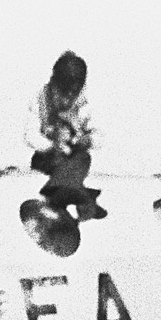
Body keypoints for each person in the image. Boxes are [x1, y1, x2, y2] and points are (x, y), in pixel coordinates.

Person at [25, 50, 105, 222]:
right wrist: (52, 144)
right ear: (56, 83)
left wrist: (86, 140)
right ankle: (82, 199)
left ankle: (65, 194)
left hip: (73, 156)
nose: (69, 96)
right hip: (48, 157)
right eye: (64, 91)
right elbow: (30, 135)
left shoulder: (85, 104)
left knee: (83, 158)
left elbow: (99, 136)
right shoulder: (41, 99)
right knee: (65, 164)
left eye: (74, 92)